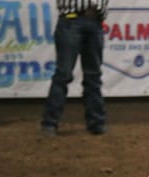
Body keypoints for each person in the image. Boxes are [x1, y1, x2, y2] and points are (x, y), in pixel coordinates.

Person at [40, 0, 110, 136]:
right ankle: (50, 122)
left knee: (93, 75)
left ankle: (96, 122)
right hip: (71, 17)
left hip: (95, 21)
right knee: (64, 74)